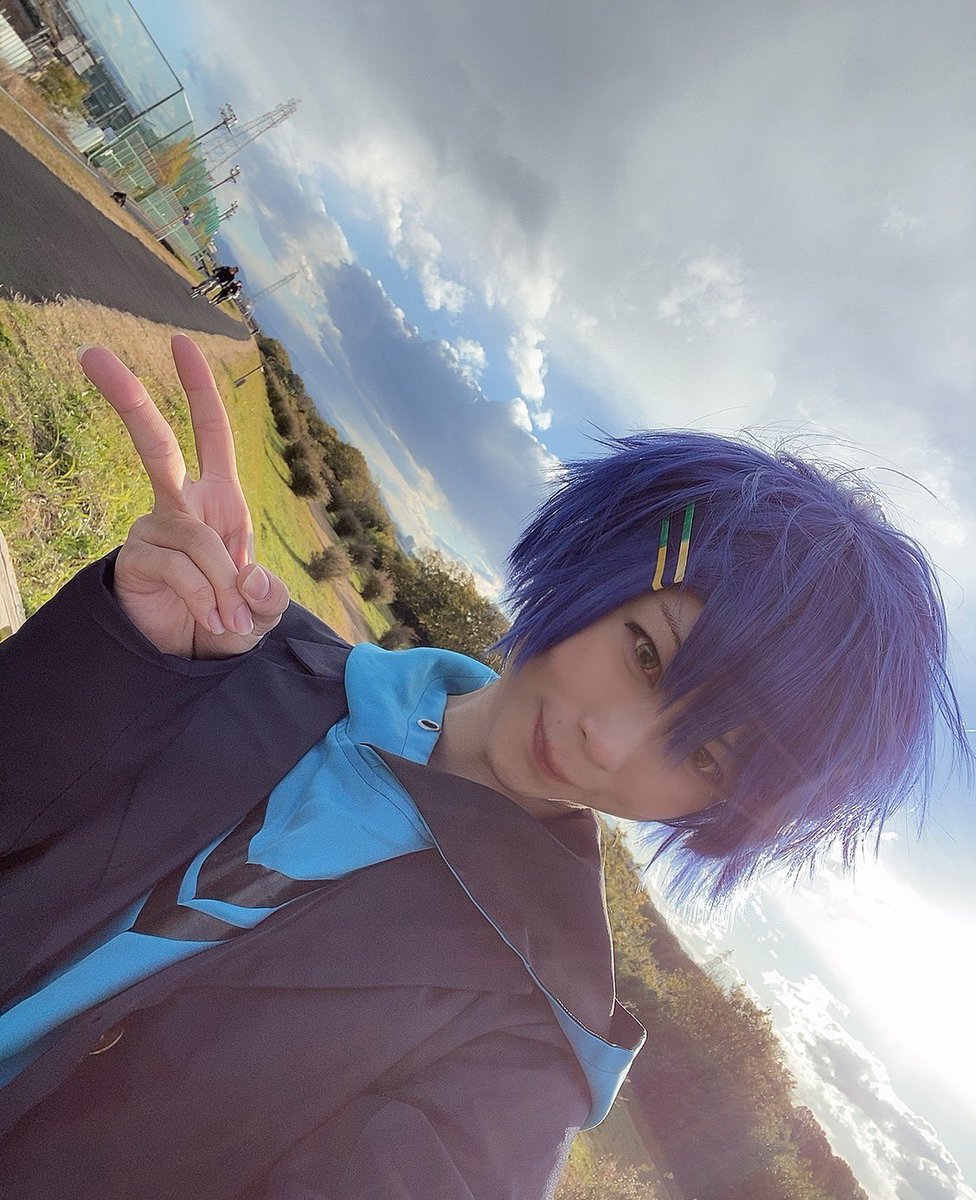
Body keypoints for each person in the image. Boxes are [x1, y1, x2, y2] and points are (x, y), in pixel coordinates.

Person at [0, 336, 969, 1198]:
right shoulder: (243, 653)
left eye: (707, 756)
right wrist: (126, 650)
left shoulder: (525, 1047)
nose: (610, 744)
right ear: (602, 564)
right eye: (646, 654)